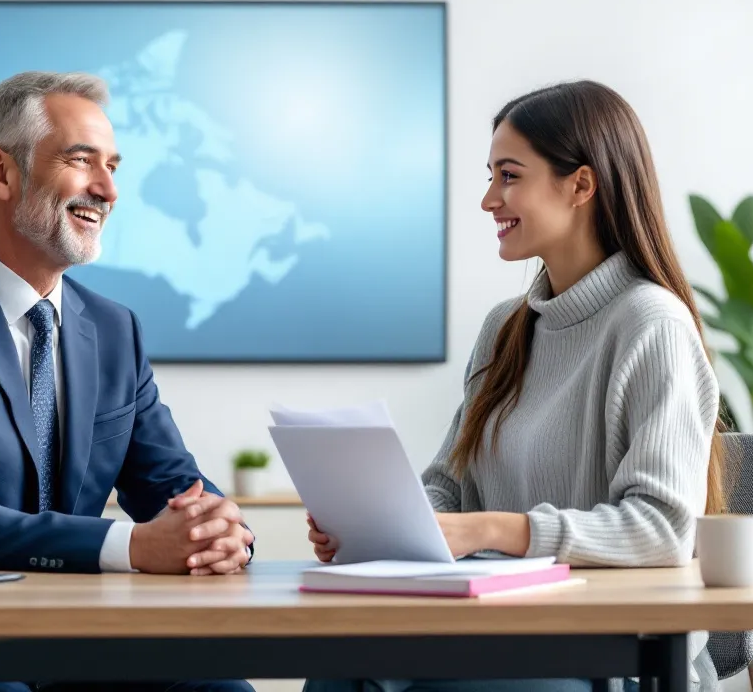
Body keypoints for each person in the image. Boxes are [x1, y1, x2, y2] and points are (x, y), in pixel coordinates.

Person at [0, 71, 255, 692]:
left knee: (217, 687)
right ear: (0, 174)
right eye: (81, 161)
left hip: (73, 636)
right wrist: (135, 548)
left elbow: (174, 486)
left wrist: (221, 532)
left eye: (113, 166)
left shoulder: (114, 330)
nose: (107, 189)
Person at [303, 81, 724, 692]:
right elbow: (450, 483)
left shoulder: (651, 324)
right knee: (341, 671)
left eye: (508, 176)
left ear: (581, 185)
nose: (487, 200)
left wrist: (494, 529)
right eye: (491, 175)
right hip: (496, 634)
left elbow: (664, 528)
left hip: (612, 657)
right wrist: (390, 524)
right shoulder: (506, 326)